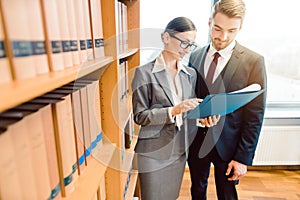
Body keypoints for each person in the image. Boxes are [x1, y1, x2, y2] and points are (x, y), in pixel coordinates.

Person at [131, 17, 219, 200]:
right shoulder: (144, 73)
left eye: (191, 45)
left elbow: (187, 113)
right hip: (153, 153)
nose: (187, 50)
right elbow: (140, 116)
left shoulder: (190, 74)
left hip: (179, 151)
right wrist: (174, 110)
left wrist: (201, 119)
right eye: (184, 43)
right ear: (166, 37)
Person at [187, 0, 267, 199]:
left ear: (241, 28)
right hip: (197, 142)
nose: (223, 37)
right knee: (197, 190)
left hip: (230, 146)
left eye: (231, 31)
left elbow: (255, 115)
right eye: (217, 28)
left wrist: (242, 158)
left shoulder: (254, 61)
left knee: (227, 195)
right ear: (209, 23)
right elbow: (190, 97)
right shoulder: (195, 56)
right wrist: (196, 116)